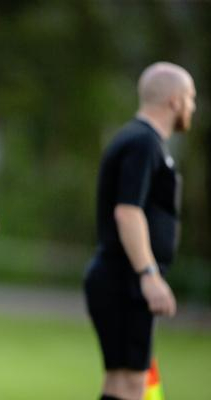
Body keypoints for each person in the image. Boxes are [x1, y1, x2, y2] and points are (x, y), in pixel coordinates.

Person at [84, 62, 196, 400]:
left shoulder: (139, 140)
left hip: (119, 280)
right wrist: (149, 275)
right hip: (126, 280)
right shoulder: (143, 143)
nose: (193, 106)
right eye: (191, 97)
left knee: (122, 383)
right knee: (132, 385)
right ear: (175, 100)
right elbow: (128, 211)